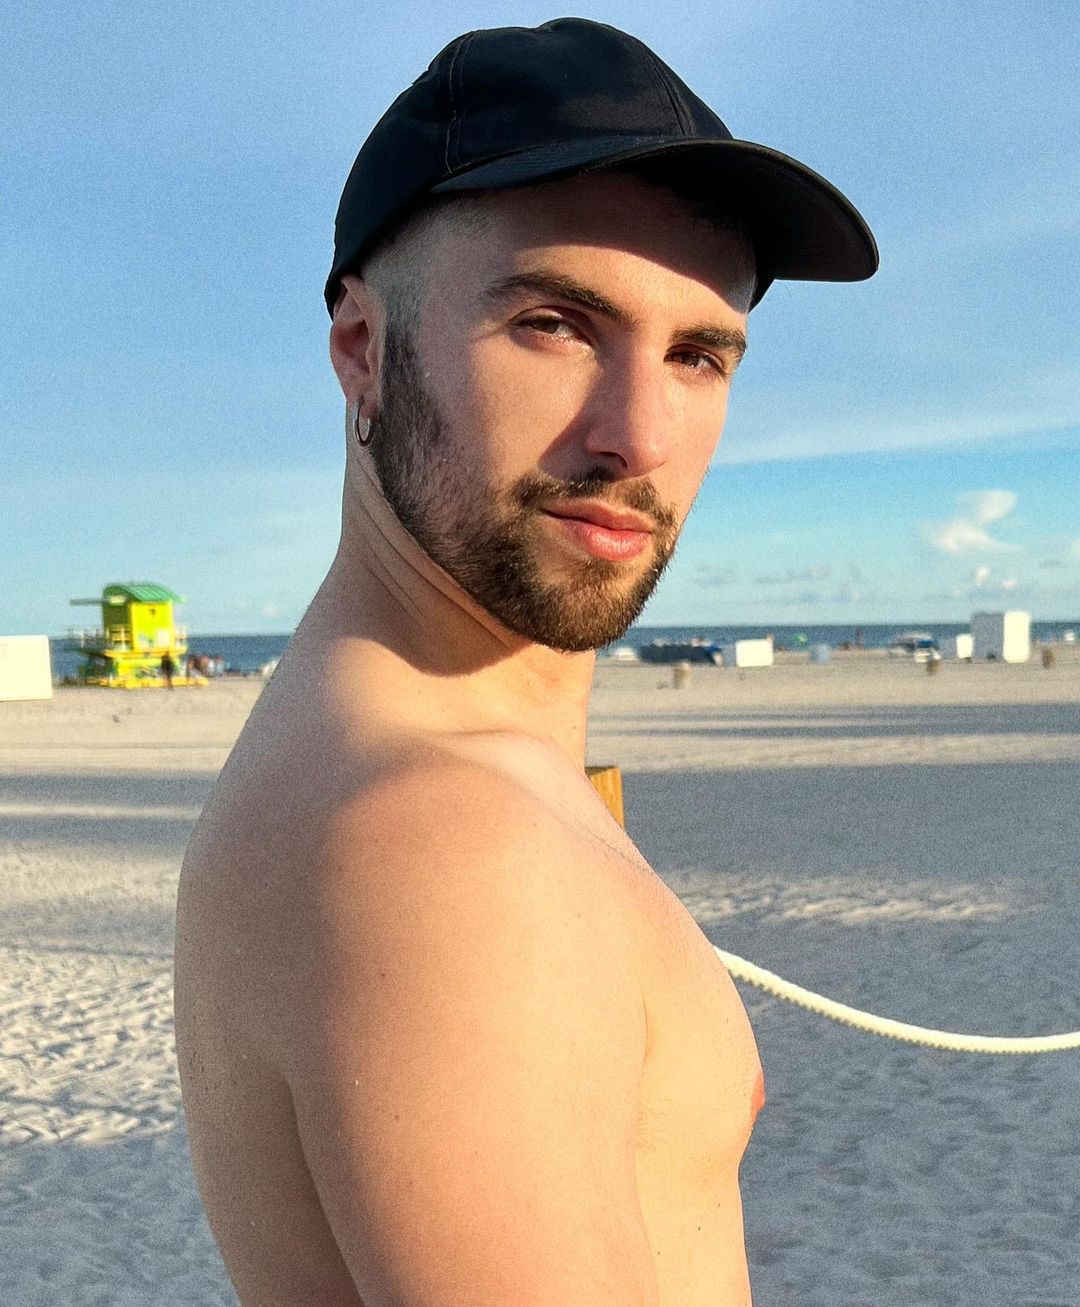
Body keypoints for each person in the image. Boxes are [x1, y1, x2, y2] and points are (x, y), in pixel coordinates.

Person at [174, 18, 876, 1306]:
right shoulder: (447, 843)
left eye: (697, 354)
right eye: (554, 323)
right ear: (362, 348)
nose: (638, 436)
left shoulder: (367, 752)